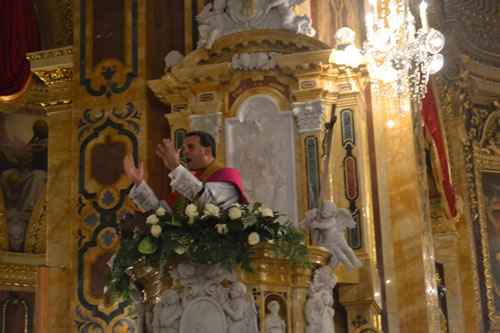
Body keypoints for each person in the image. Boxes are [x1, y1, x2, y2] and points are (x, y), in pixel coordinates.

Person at [123, 131, 248, 213]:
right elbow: (160, 213)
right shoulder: (193, 181)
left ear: (207, 151)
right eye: (184, 148)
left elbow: (210, 204)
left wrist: (176, 168)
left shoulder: (227, 175)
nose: (185, 152)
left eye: (191, 147)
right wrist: (139, 183)